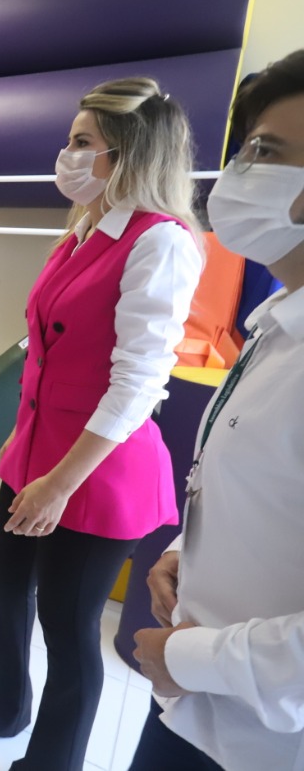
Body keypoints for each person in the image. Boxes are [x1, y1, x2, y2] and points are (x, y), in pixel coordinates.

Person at [0, 78, 204, 771]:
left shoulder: (161, 242)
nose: (67, 154)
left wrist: (59, 484)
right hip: (35, 449)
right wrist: (20, 435)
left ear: (127, 153)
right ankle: (3, 706)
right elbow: (43, 349)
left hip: (95, 473)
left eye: (82, 142)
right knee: (7, 582)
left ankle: (50, 763)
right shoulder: (83, 231)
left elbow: (138, 384)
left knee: (67, 627)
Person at [128, 51, 304, 771]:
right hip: (193, 702)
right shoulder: (277, 323)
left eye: (267, 152)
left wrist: (191, 658)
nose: (239, 172)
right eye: (246, 150)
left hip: (259, 738)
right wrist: (186, 554)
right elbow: (261, 495)